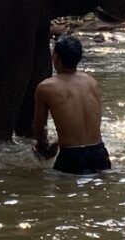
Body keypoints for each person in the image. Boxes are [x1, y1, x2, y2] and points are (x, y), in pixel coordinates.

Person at [32, 35, 111, 175]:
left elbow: (39, 131)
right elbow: (84, 127)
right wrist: (58, 141)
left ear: (55, 57)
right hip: (100, 154)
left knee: (62, 194)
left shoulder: (46, 87)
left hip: (71, 156)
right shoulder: (92, 82)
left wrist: (44, 148)